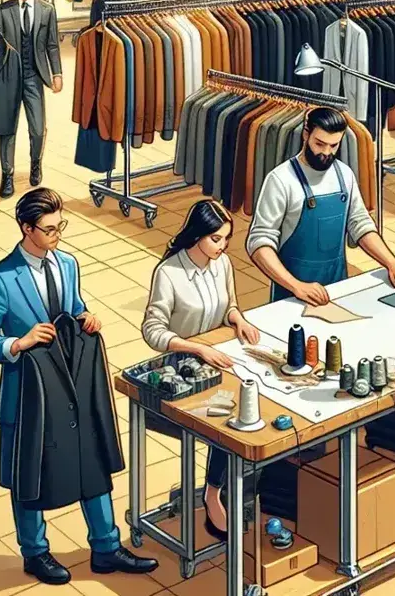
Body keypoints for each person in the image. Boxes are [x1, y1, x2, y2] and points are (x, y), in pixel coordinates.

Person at [0, 188, 158, 585]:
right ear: (26, 228)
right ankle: (35, 553)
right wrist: (17, 343)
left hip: (70, 386)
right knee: (29, 474)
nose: (58, 235)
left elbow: (72, 306)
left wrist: (85, 316)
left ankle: (106, 548)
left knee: (91, 460)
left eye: (61, 226)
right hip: (28, 396)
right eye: (50, 229)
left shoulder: (67, 264)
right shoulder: (1, 278)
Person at [142, 199, 262, 541]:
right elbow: (153, 330)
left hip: (219, 357)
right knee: (230, 419)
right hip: (182, 367)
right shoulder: (170, 273)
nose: (222, 246)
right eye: (216, 239)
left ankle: (234, 486)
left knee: (255, 404)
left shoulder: (222, 264)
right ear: (197, 235)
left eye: (226, 239)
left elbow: (229, 306)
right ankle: (213, 493)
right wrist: (197, 347)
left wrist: (238, 319)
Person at [248, 107, 395, 305]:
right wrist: (296, 286)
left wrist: (392, 264)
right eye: (319, 144)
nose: (326, 153)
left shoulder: (344, 174)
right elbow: (259, 243)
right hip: (292, 294)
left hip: (337, 287)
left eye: (333, 146)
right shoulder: (281, 180)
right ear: (305, 134)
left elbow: (360, 225)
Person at [0, 0, 61, 199]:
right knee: (7, 130)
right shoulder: (3, 10)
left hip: (34, 76)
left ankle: (35, 163)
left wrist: (56, 74)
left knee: (38, 129)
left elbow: (52, 45)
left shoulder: (47, 10)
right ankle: (7, 175)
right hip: (8, 78)